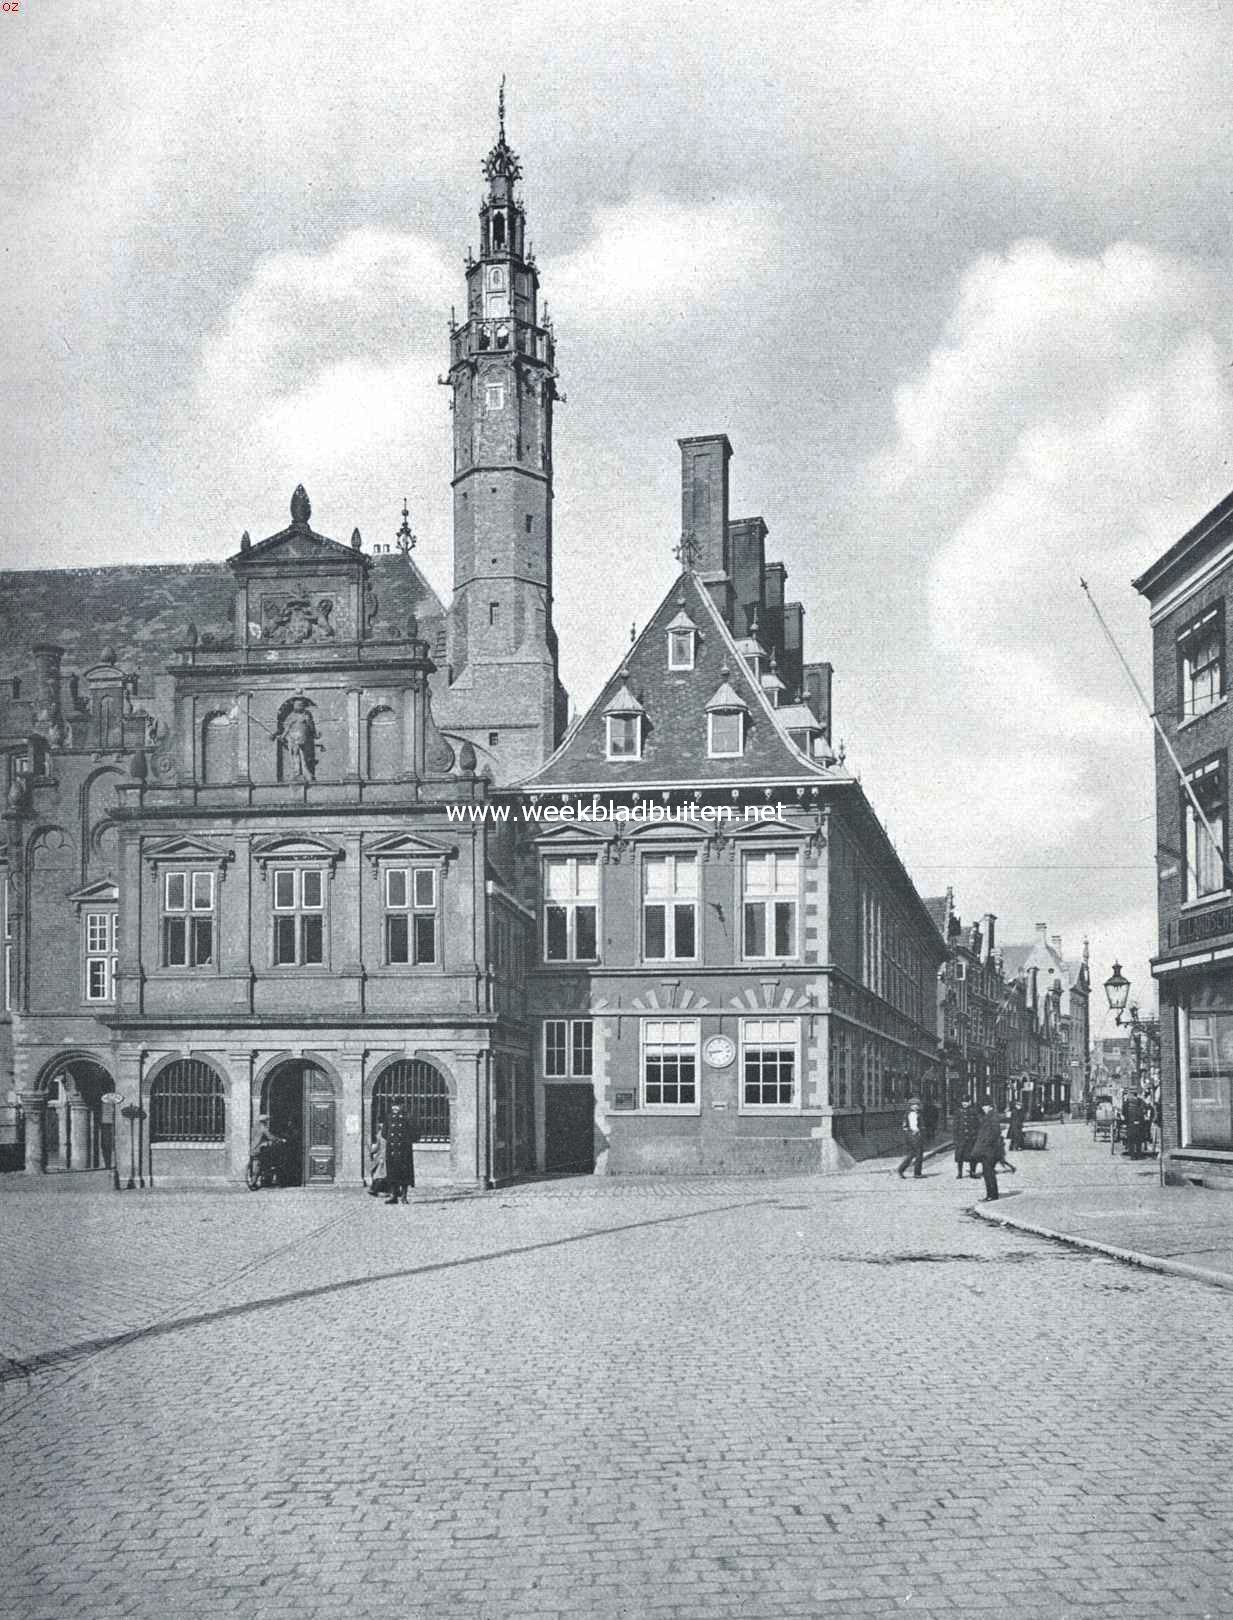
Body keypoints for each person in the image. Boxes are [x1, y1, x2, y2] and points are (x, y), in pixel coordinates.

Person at [970, 1103, 1005, 1202]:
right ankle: (991, 1194)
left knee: (988, 1173)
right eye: (983, 1106)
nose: (983, 1108)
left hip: (990, 1150)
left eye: (985, 1106)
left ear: (990, 1107)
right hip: (988, 1150)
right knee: (987, 1172)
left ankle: (992, 1195)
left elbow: (995, 1133)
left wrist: (985, 1143)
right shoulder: (989, 1116)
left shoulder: (992, 1117)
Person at [384, 1103, 416, 1204]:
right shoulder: (389, 1117)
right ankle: (393, 1196)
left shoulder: (407, 1117)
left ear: (402, 1107)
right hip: (392, 1150)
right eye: (393, 1106)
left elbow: (415, 1133)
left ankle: (404, 1196)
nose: (395, 1108)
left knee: (405, 1175)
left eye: (397, 1106)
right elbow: (384, 1132)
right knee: (392, 1174)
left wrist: (406, 1141)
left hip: (404, 1151)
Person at [897, 1095, 925, 1179]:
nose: (917, 1106)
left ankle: (901, 1169)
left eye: (917, 1104)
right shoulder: (912, 1114)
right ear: (911, 1106)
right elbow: (912, 1126)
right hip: (914, 1136)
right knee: (919, 1154)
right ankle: (917, 1173)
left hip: (911, 1135)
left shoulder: (911, 1113)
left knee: (912, 1154)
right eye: (915, 1105)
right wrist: (916, 1131)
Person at [955, 1097, 981, 1180]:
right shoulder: (958, 1112)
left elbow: (978, 1125)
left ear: (970, 1102)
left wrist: (977, 1136)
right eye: (963, 1102)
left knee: (973, 1156)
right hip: (961, 1138)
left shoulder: (974, 1111)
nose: (964, 1103)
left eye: (966, 1102)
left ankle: (972, 1172)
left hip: (971, 1138)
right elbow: (955, 1126)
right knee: (960, 1156)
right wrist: (955, 1138)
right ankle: (959, 1173)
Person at [367, 1126, 389, 1198]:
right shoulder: (380, 1134)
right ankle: (377, 1189)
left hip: (387, 1156)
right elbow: (377, 1146)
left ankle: (378, 1190)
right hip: (381, 1157)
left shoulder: (387, 1133)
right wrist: (371, 1150)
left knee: (381, 1174)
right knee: (380, 1174)